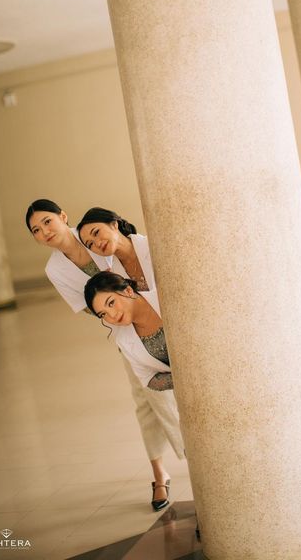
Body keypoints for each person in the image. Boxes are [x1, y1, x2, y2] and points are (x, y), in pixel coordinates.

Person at [25, 199, 182, 510]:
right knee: (146, 401)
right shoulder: (54, 269)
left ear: (62, 217)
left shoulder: (92, 235)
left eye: (47, 222)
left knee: (170, 393)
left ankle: (195, 460)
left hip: (150, 313)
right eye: (36, 230)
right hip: (123, 329)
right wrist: (112, 315)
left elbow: (130, 262)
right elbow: (85, 306)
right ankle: (159, 475)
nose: (44, 231)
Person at [84, 271, 174, 391]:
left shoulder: (167, 297)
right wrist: (182, 378)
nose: (112, 315)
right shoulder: (123, 340)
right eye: (103, 314)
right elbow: (148, 378)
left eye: (111, 303)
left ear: (128, 291)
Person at [76, 207, 153, 292]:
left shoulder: (152, 243)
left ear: (113, 224)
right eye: (90, 244)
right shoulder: (113, 277)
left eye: (96, 232)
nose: (97, 244)